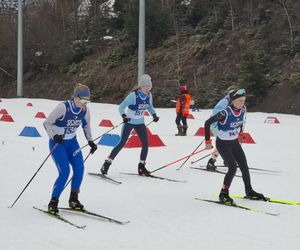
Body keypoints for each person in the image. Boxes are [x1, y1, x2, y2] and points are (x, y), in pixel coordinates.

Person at [204, 88, 265, 205]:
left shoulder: (243, 110)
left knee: (244, 166)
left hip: (234, 143)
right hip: (222, 144)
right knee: (232, 167)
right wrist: (207, 141)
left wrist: (240, 132)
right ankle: (223, 193)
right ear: (233, 101)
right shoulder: (224, 112)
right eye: (239, 101)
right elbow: (207, 123)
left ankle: (249, 191)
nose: (242, 103)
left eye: (244, 100)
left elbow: (241, 122)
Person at [43, 83, 98, 214]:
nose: (86, 103)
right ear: (76, 98)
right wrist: (54, 135)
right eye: (84, 100)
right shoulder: (63, 108)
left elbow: (86, 126)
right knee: (65, 172)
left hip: (72, 142)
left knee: (79, 168)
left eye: (88, 100)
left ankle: (73, 198)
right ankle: (53, 201)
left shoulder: (85, 111)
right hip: (58, 143)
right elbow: (47, 123)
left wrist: (90, 141)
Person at [100, 74, 159, 176]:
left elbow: (150, 106)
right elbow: (121, 107)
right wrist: (124, 116)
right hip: (129, 122)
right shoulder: (133, 96)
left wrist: (154, 115)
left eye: (149, 87)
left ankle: (141, 166)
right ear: (141, 86)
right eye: (146, 87)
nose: (148, 89)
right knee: (122, 143)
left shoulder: (149, 95)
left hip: (140, 123)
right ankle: (107, 163)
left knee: (145, 144)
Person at [206, 85, 239, 170]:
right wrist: (220, 122)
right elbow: (216, 111)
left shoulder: (234, 101)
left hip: (225, 126)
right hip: (217, 125)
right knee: (224, 144)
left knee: (230, 143)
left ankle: (227, 160)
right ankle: (211, 162)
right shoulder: (225, 100)